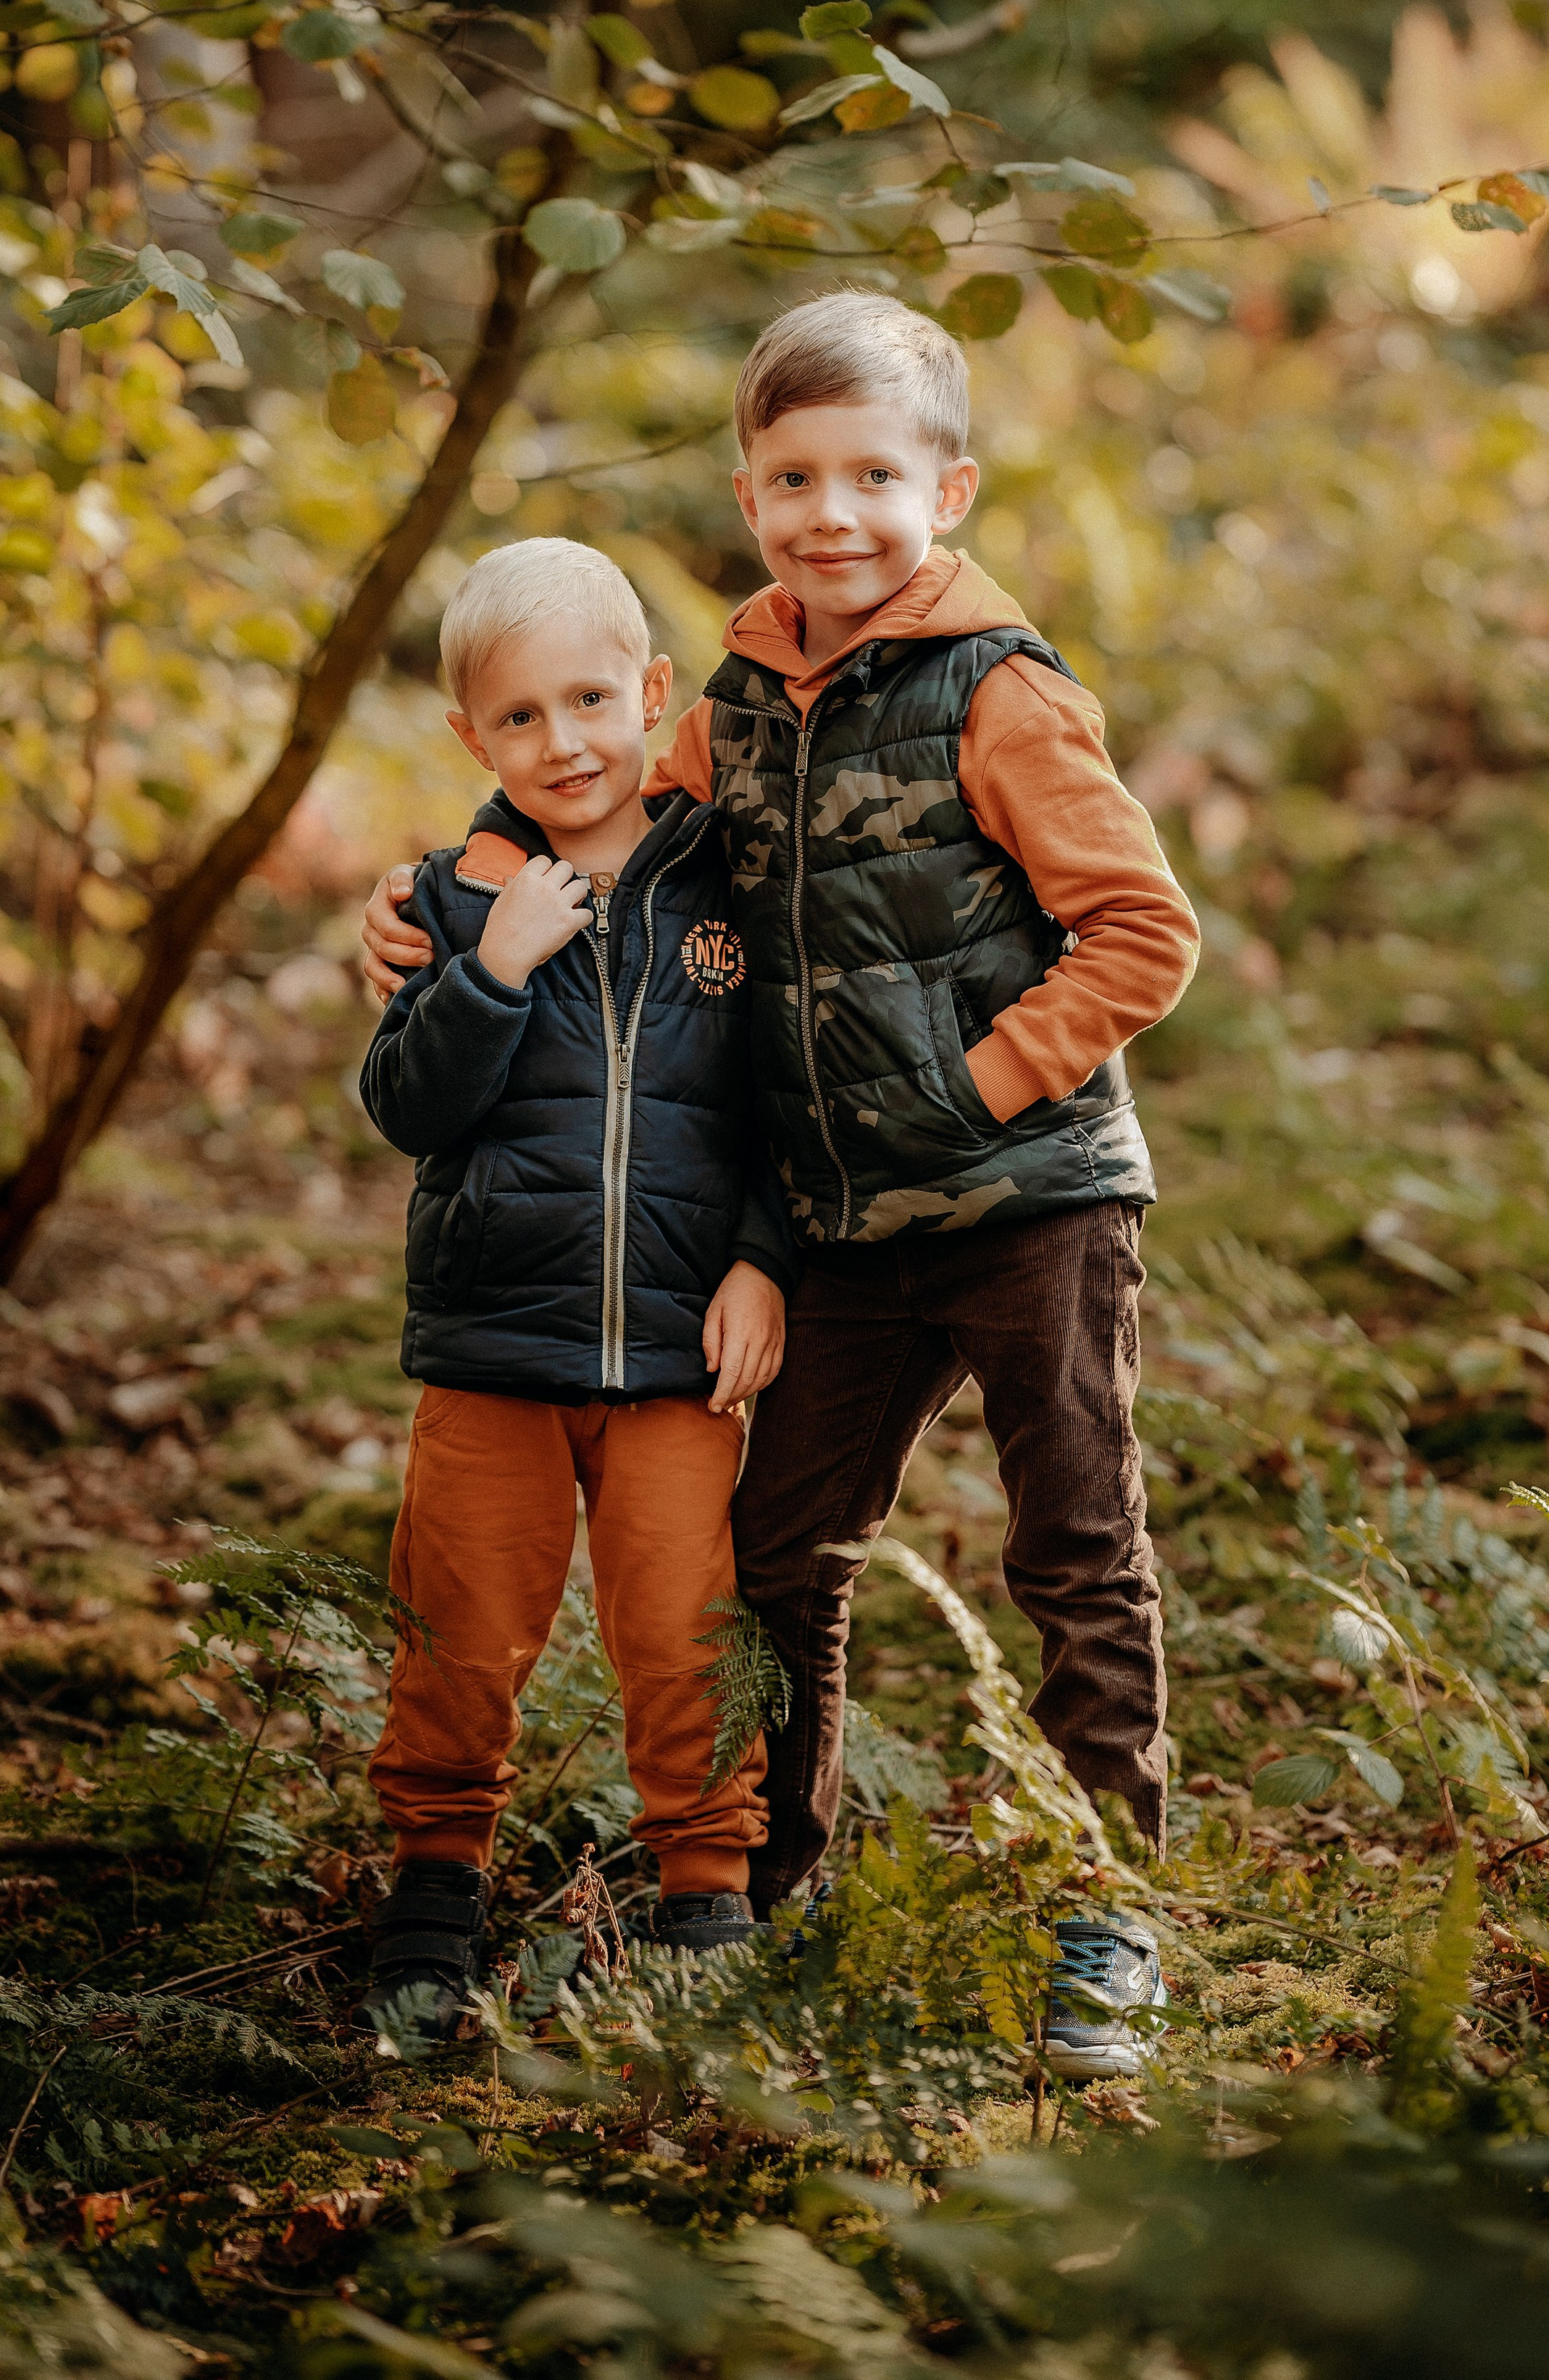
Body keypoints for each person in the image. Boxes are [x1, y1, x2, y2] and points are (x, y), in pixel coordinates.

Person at [362, 296, 1199, 2076]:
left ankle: (1105, 1906)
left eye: (874, 476)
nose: (835, 512)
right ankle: (757, 1887)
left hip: (1034, 1200)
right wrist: (442, 897)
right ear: (749, 495)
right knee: (776, 1558)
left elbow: (1141, 932)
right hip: (839, 1229)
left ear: (946, 490)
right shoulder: (734, 701)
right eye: (796, 477)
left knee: (1073, 1547)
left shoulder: (1001, 690)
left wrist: (968, 1084)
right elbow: (591, 808)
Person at [354, 538, 797, 2036]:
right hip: (492, 1346)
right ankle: (431, 1884)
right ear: (472, 739)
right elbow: (409, 1107)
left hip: (678, 1349)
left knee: (680, 1624)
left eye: (591, 700)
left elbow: (782, 1104)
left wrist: (761, 1259)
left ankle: (704, 1891)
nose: (564, 743)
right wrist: (489, 973)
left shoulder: (730, 884)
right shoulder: (452, 898)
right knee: (461, 1626)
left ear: (651, 694)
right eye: (521, 719)